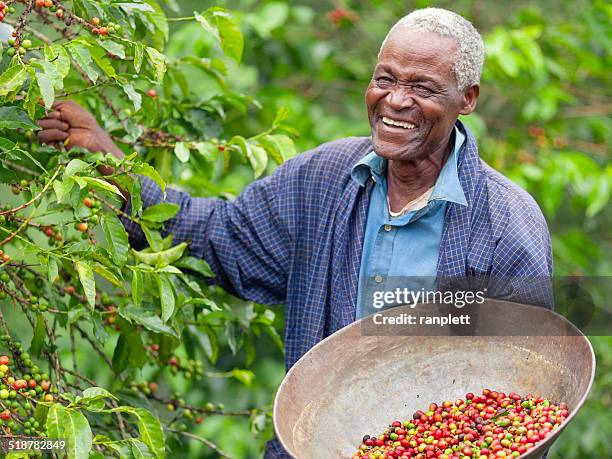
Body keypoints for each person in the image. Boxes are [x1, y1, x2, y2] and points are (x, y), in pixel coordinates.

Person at [38, 8, 552, 458]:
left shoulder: (506, 225)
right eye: (385, 79)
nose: (395, 100)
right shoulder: (323, 179)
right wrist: (115, 168)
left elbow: (524, 399)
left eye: (422, 88)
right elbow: (219, 236)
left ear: (468, 99)